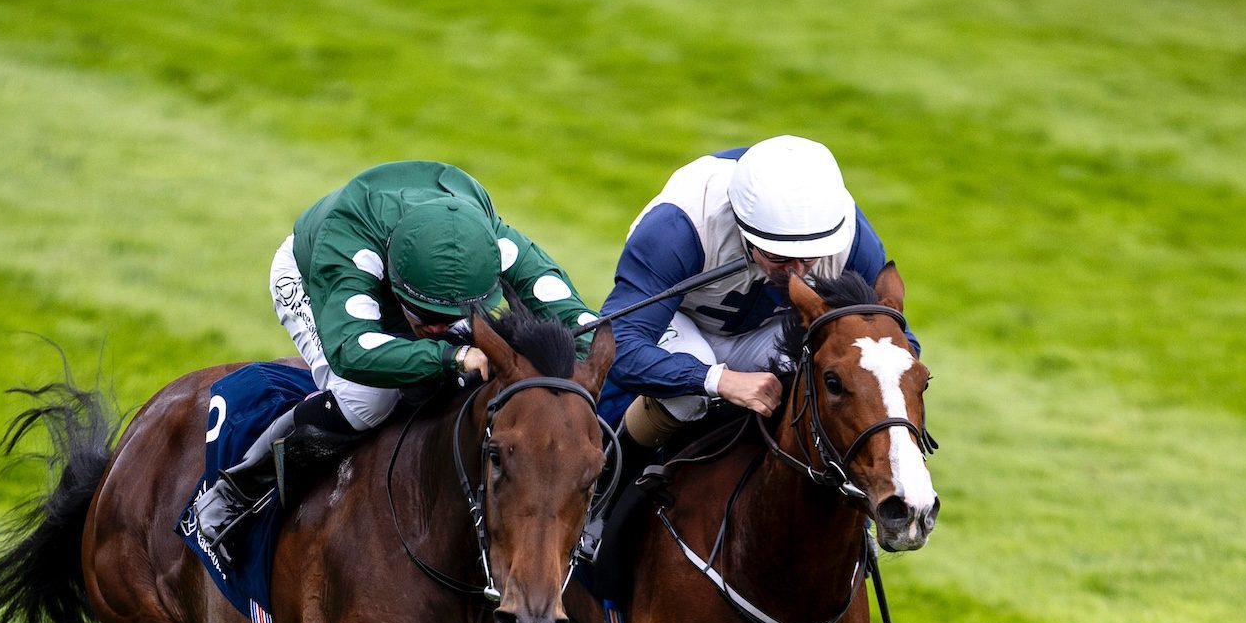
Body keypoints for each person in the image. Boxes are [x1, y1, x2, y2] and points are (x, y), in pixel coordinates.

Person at [189, 161, 599, 562]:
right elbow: (354, 350)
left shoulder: (492, 245)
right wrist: (453, 355)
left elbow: (583, 326)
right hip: (315, 277)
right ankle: (237, 492)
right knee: (368, 399)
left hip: (416, 270)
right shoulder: (346, 246)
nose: (441, 328)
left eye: (451, 321)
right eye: (429, 320)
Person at [597, 135, 919, 453]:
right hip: (680, 318)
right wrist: (717, 380)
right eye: (778, 256)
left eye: (810, 257)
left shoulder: (851, 240)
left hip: (766, 331)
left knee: (817, 374)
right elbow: (617, 344)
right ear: (743, 229)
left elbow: (896, 343)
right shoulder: (679, 228)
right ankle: (608, 486)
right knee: (688, 396)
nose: (797, 271)